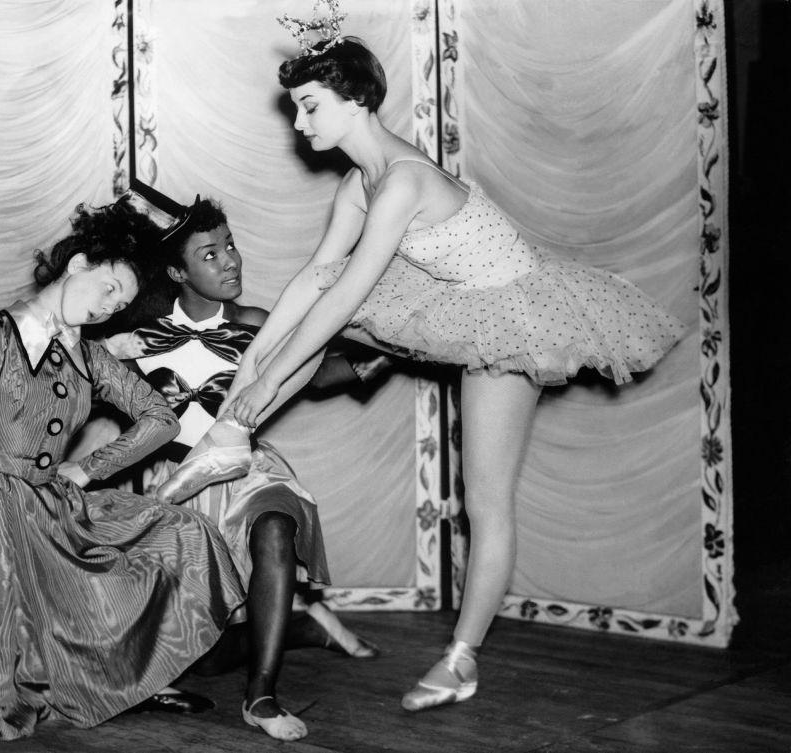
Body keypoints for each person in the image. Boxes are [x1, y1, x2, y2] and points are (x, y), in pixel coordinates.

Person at [167, 35, 686, 713]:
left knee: (484, 500)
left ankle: (461, 659)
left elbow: (346, 295)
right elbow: (312, 280)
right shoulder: (361, 181)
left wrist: (266, 385)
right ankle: (230, 438)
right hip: (449, 297)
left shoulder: (404, 182)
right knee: (304, 313)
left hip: (513, 315)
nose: (299, 123)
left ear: (353, 102)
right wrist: (244, 387)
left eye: (310, 106)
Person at [0, 199, 245, 739]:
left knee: (180, 535)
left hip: (49, 500)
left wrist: (89, 469)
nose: (109, 308)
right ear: (78, 265)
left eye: (123, 303)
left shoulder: (89, 356)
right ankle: (41, 688)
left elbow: (159, 417)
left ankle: (128, 677)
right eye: (109, 288)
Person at [90, 194, 382, 741]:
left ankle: (263, 696)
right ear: (177, 270)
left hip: (248, 466)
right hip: (181, 481)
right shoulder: (138, 332)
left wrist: (398, 347)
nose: (230, 261)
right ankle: (303, 627)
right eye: (210, 253)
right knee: (204, 661)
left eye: (230, 246)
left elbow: (319, 373)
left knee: (276, 527)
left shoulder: (255, 323)